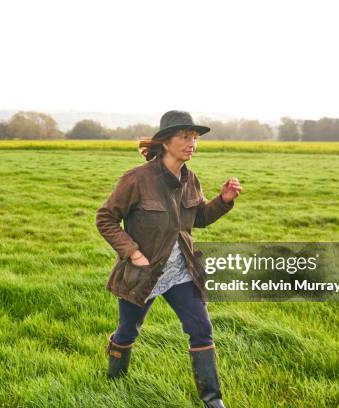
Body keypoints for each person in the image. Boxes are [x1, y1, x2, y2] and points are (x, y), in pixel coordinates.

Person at [95, 110, 242, 408]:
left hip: (182, 273)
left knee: (201, 328)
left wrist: (223, 201)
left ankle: (213, 400)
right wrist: (132, 253)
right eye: (184, 137)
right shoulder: (136, 179)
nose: (192, 144)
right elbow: (106, 218)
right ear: (165, 142)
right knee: (127, 331)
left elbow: (197, 217)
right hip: (144, 274)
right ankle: (114, 380)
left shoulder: (190, 179)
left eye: (195, 138)